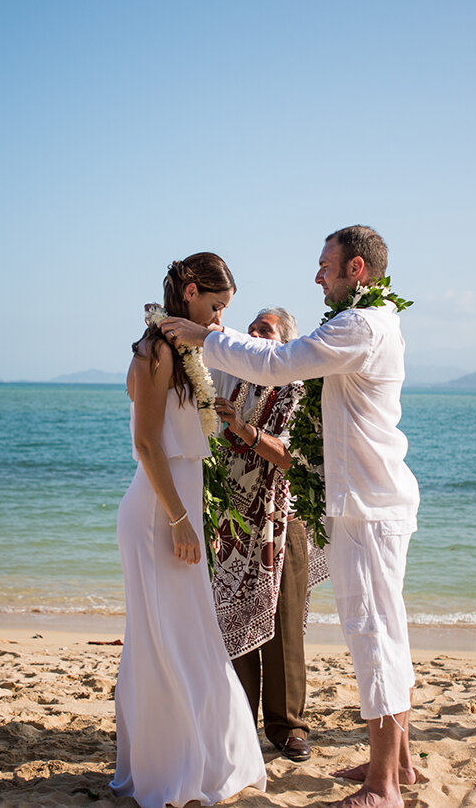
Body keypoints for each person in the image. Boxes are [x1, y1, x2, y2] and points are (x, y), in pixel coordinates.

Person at [161, 225, 419, 808]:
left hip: (369, 508)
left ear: (357, 269)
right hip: (371, 503)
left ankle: (383, 788)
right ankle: (398, 764)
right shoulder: (371, 323)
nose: (317, 276)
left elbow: (279, 363)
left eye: (325, 266)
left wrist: (207, 336)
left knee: (374, 637)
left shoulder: (361, 324)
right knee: (386, 634)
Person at [112, 253, 266, 808]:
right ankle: (171, 769)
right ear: (192, 291)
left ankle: (199, 759)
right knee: (165, 640)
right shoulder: (154, 349)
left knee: (190, 634)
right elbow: (148, 443)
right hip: (158, 511)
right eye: (217, 307)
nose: (221, 321)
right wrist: (179, 519)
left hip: (180, 505)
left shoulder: (186, 351)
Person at [209, 307, 328, 764]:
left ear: (284, 345)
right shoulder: (234, 383)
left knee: (284, 628)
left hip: (284, 521)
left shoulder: (299, 392)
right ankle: (241, 722)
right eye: (252, 328)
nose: (255, 335)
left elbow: (292, 459)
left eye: (266, 331)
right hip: (235, 525)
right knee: (233, 616)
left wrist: (243, 428)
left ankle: (288, 727)